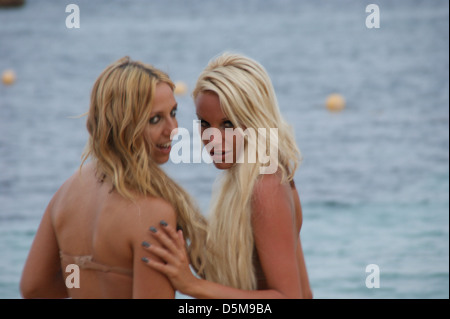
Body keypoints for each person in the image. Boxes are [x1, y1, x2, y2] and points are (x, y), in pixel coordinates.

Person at [19, 56, 207, 299]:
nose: (173, 129)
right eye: (155, 119)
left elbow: (34, 288)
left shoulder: (67, 192)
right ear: (124, 125)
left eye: (173, 112)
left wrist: (94, 280)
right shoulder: (151, 212)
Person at [142, 53, 313, 298]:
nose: (212, 138)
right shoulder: (254, 175)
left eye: (227, 124)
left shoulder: (266, 187)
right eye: (204, 123)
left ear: (255, 121)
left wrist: (191, 285)